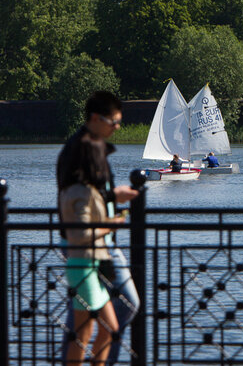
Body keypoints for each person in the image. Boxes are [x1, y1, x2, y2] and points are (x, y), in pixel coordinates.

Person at [57, 91, 140, 365]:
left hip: (98, 248)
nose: (117, 129)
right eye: (113, 122)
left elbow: (91, 195)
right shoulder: (81, 150)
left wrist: (114, 196)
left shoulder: (91, 149)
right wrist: (110, 222)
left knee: (90, 323)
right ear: (96, 118)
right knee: (102, 318)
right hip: (87, 249)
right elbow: (79, 205)